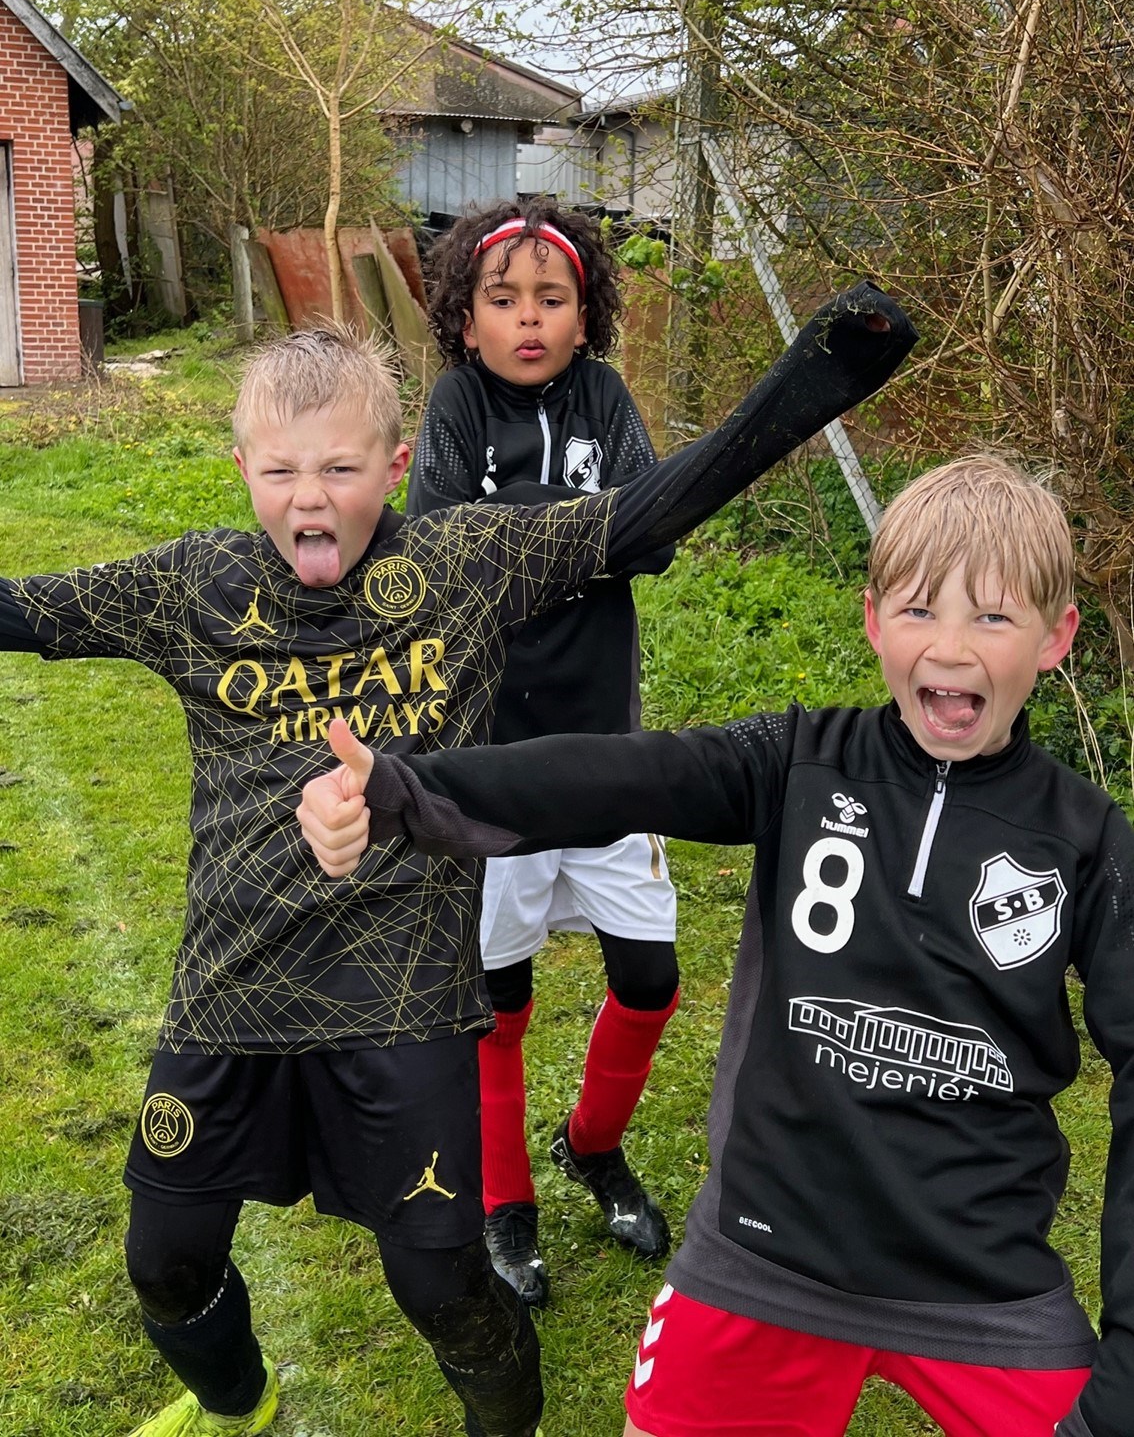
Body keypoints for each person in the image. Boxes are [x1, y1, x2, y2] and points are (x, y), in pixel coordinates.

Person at [0, 285, 915, 1437]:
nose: (309, 497)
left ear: (395, 466)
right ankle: (240, 1405)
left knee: (443, 1288)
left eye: (340, 469)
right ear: (242, 470)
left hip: (404, 1002)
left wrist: (822, 375)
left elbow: (644, 510)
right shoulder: (194, 586)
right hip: (231, 995)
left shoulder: (463, 562)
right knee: (164, 1265)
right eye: (280, 472)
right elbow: (21, 611)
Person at [297, 456, 1130, 1437]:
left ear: (1056, 637)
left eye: (991, 617)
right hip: (764, 1257)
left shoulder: (1089, 844)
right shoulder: (800, 762)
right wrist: (403, 791)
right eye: (918, 611)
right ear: (873, 622)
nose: (949, 648)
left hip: (985, 1288)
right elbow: (617, 776)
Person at [410, 197, 680, 1307]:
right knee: (497, 1000)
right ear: (465, 317)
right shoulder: (456, 405)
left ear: (585, 314)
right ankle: (505, 1200)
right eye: (504, 299)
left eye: (552, 299)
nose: (528, 319)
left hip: (606, 747)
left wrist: (528, 527)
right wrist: (584, 527)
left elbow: (653, 532)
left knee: (651, 980)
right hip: (495, 758)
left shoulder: (606, 398)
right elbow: (437, 546)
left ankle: (592, 1146)